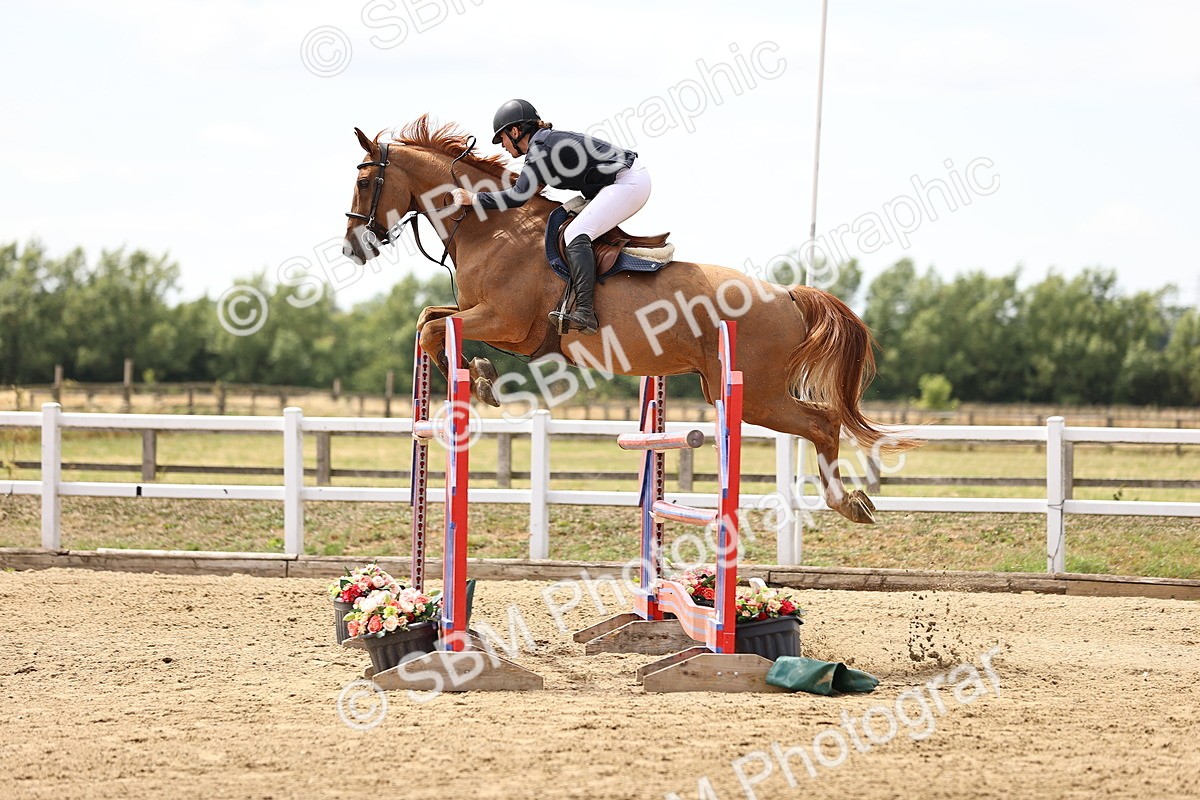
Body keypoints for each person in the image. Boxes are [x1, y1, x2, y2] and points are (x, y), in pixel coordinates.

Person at [451, 99, 651, 335]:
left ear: (515, 132)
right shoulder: (543, 144)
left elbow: (518, 196)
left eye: (502, 138)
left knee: (576, 232)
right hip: (620, 182)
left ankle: (585, 312)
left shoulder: (540, 147)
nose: (502, 145)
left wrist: (473, 199)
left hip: (627, 182)